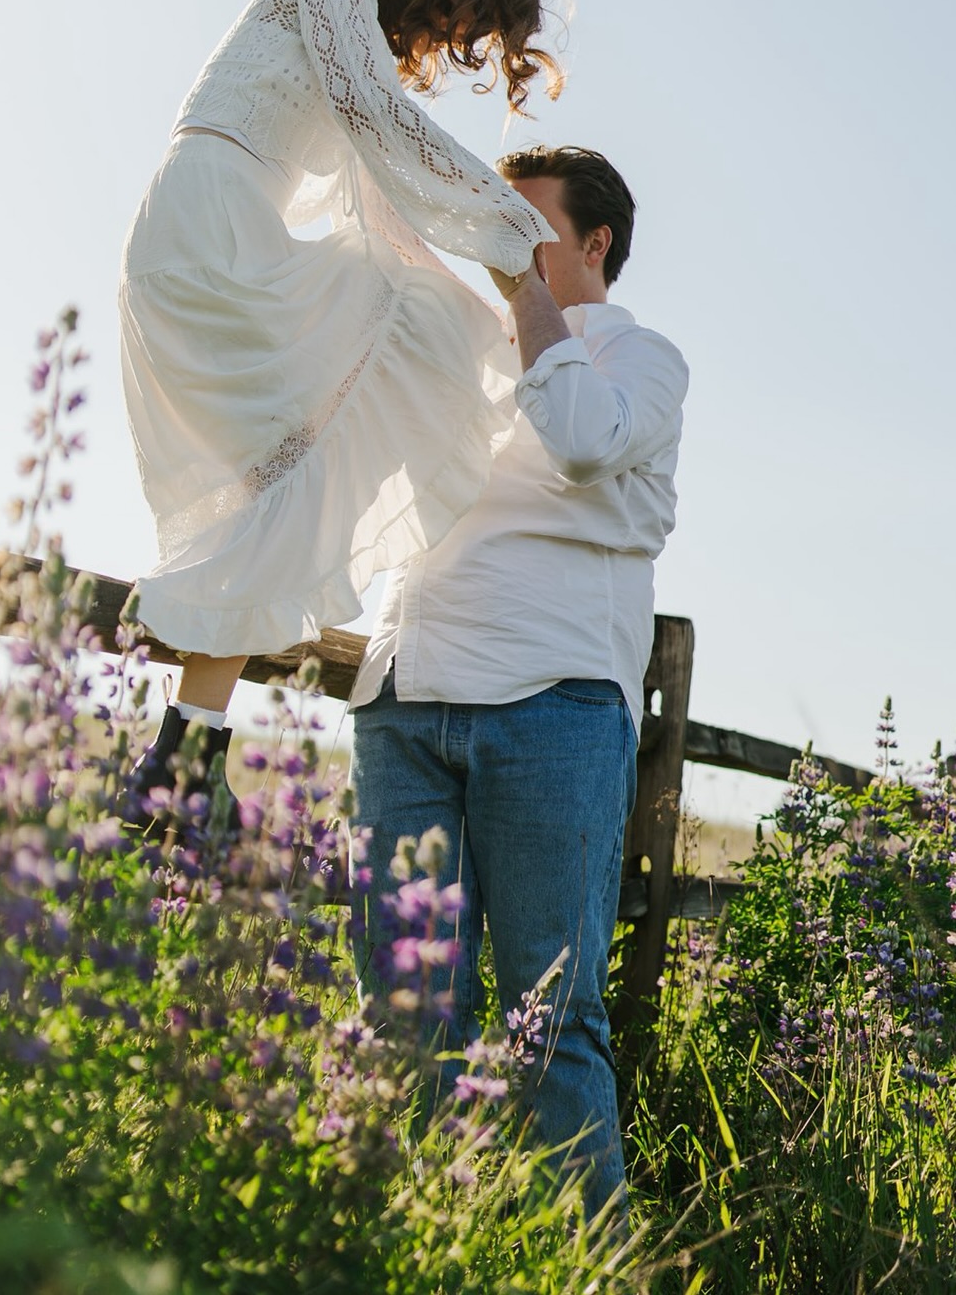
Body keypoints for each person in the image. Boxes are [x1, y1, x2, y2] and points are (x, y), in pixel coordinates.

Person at [119, 0, 563, 796]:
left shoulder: (354, 48)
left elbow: (390, 217)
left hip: (214, 230)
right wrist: (512, 235)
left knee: (284, 478)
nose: (459, 36)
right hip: (210, 221)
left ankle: (183, 758)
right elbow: (378, 120)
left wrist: (498, 316)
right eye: (468, 12)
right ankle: (186, 759)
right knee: (381, 368)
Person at [347, 143, 688, 1224]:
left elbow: (584, 441)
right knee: (407, 1011)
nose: (504, 248)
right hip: (406, 699)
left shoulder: (643, 359)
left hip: (553, 705)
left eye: (526, 226)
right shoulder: (458, 344)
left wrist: (524, 299)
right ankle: (427, 1244)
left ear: (594, 243)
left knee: (551, 1020)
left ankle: (582, 1264)